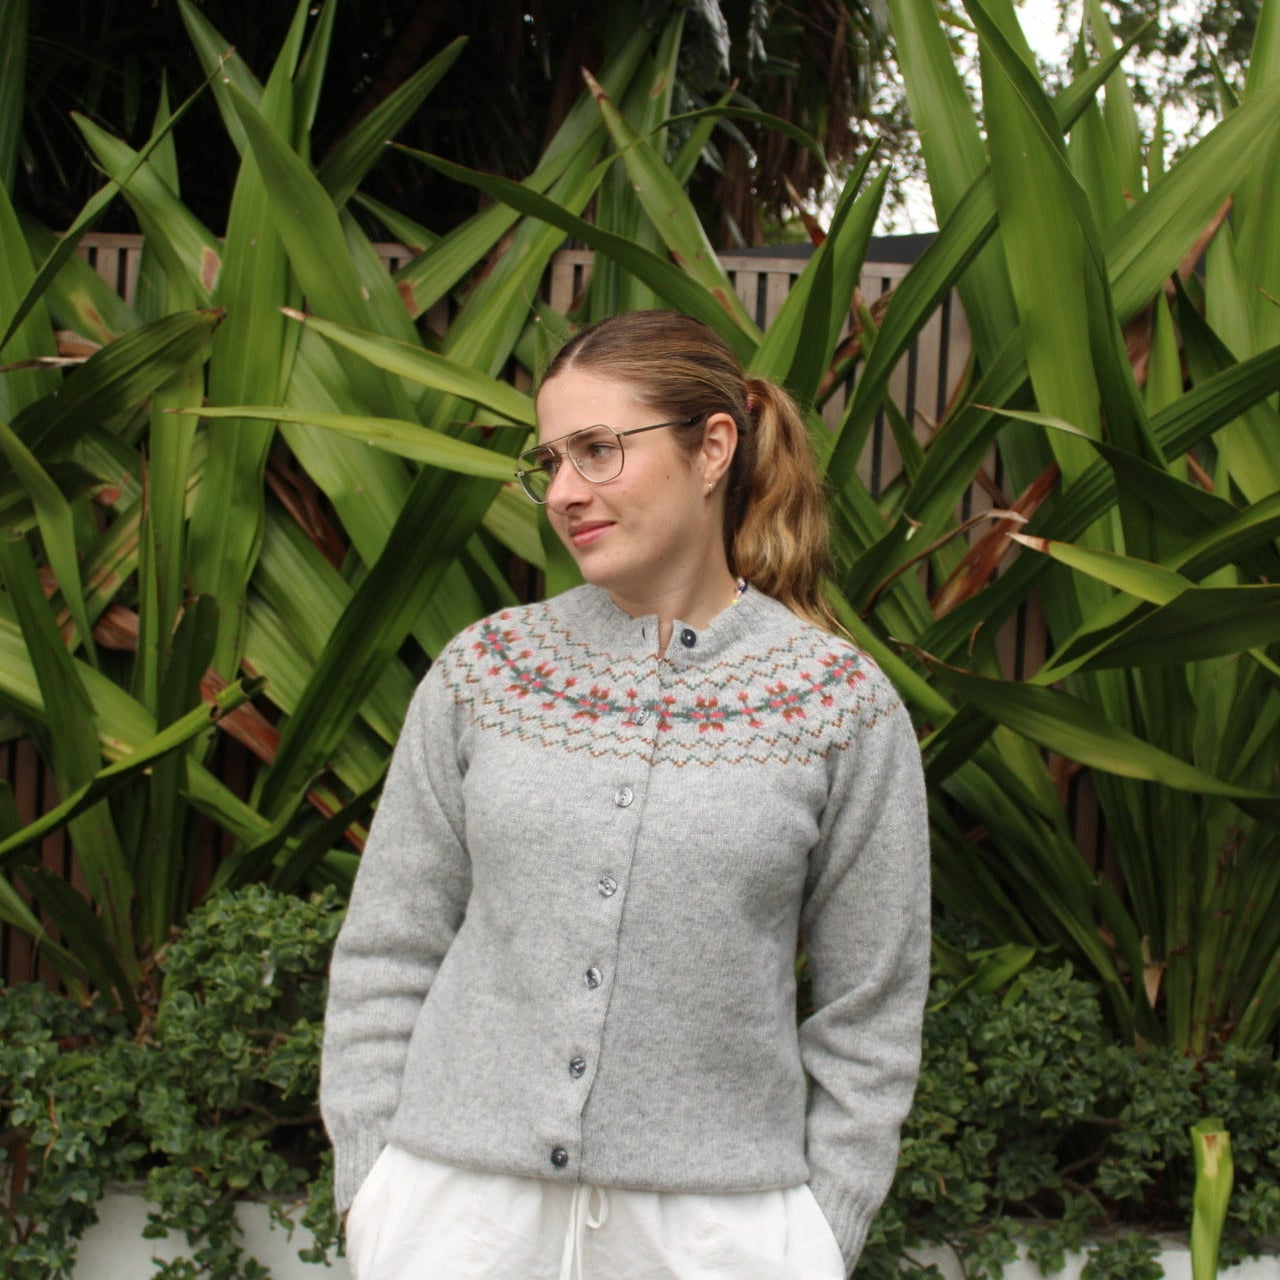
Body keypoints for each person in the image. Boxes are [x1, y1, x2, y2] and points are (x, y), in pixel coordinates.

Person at [320, 310, 930, 1280]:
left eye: (598, 450)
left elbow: (872, 1000)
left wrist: (823, 1227)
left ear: (711, 448)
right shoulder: (488, 669)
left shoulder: (837, 704)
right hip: (454, 1214)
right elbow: (388, 939)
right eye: (551, 459)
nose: (564, 491)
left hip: (720, 1230)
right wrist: (372, 1187)